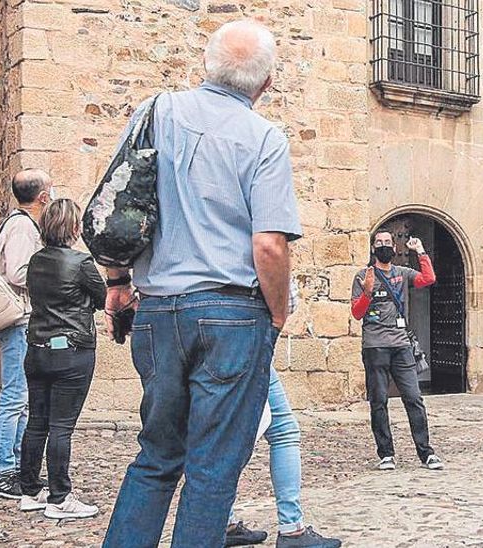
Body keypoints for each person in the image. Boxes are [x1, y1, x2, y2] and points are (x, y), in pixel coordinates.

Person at [102, 19, 301, 547]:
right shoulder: (264, 139)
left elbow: (118, 207)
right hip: (232, 313)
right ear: (266, 84)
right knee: (212, 470)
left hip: (159, 309)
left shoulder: (154, 112)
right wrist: (278, 314)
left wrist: (117, 281)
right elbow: (268, 245)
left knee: (156, 456)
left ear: (205, 65)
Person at [224, 284, 342, 548]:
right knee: (279, 433)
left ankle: (225, 520)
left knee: (216, 431)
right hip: (242, 334)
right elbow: (285, 296)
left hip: (183, 325)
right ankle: (292, 529)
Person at [16, 199, 105, 519]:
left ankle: (29, 491)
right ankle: (59, 498)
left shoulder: (36, 261)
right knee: (61, 427)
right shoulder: (81, 263)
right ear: (74, 228)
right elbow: (102, 297)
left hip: (37, 350)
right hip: (71, 351)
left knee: (36, 423)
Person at [0, 169, 53, 500]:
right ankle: (1, 473)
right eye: (49, 191)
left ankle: (16, 469)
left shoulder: (17, 223)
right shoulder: (24, 227)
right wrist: (53, 273)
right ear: (42, 197)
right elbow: (19, 272)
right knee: (15, 398)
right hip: (19, 321)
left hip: (20, 321)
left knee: (22, 399)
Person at [351, 232, 442, 472]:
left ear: (394, 246)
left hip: (401, 346)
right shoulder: (363, 276)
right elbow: (357, 313)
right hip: (374, 347)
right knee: (379, 401)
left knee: (414, 398)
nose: (383, 246)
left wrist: (420, 251)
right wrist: (368, 292)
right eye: (379, 243)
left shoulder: (402, 273)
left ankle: (426, 452)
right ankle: (386, 454)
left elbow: (428, 278)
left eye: (387, 243)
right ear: (373, 247)